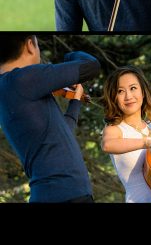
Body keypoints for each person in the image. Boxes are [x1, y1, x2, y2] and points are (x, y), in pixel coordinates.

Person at [0, 34, 100, 202]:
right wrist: (69, 56)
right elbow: (91, 66)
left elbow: (62, 133)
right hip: (67, 196)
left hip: (58, 195)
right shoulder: (23, 79)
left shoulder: (9, 87)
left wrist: (75, 102)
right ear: (30, 45)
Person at [100, 66, 151, 203]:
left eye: (133, 88)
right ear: (113, 97)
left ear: (143, 92)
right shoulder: (114, 129)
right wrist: (148, 142)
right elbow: (107, 144)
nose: (128, 96)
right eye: (120, 91)